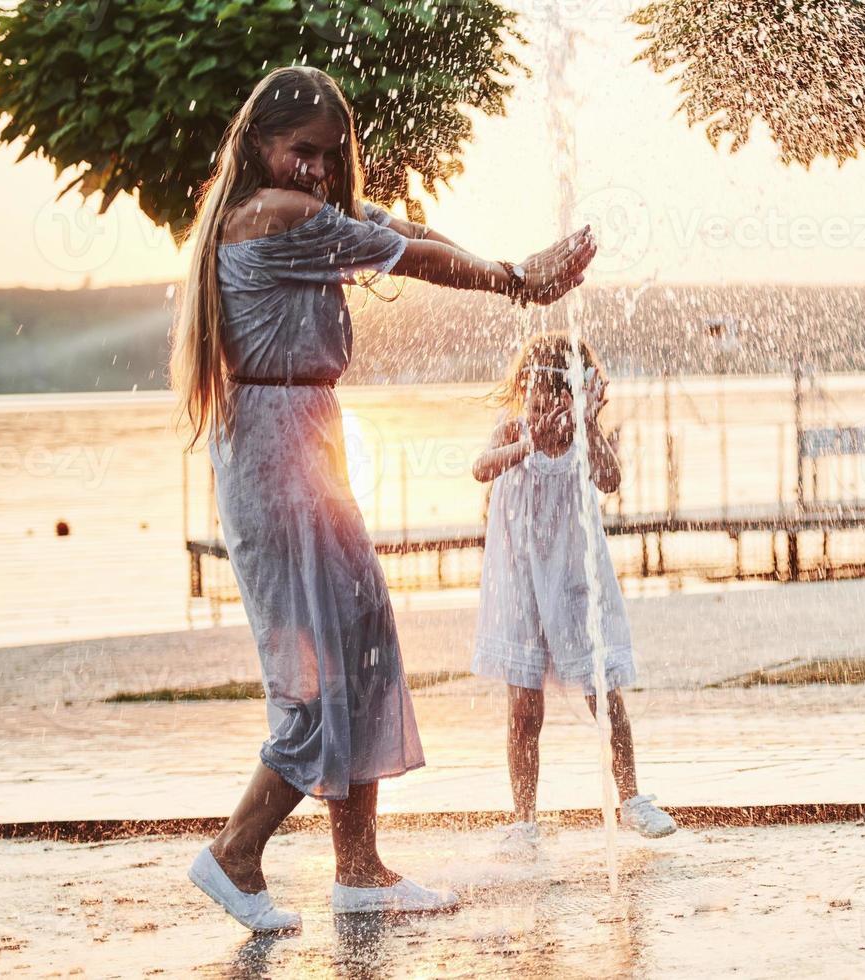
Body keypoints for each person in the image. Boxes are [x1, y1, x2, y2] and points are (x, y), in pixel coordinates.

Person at [169, 65, 595, 931]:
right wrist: (515, 279)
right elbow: (416, 256)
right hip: (278, 458)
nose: (318, 174)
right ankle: (234, 855)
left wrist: (507, 268)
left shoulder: (300, 211)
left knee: (361, 644)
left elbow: (403, 228)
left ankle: (358, 869)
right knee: (319, 673)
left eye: (330, 158)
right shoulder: (275, 216)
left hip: (303, 444)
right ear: (257, 145)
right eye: (302, 154)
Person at [471, 332, 678, 861]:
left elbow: (610, 479)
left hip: (573, 581)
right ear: (523, 388)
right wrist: (527, 445)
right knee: (523, 709)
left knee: (604, 693)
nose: (545, 401)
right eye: (536, 389)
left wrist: (586, 422)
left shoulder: (585, 436)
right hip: (520, 581)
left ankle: (630, 798)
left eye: (559, 389)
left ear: (576, 390)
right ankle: (524, 820)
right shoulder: (515, 430)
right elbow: (480, 468)